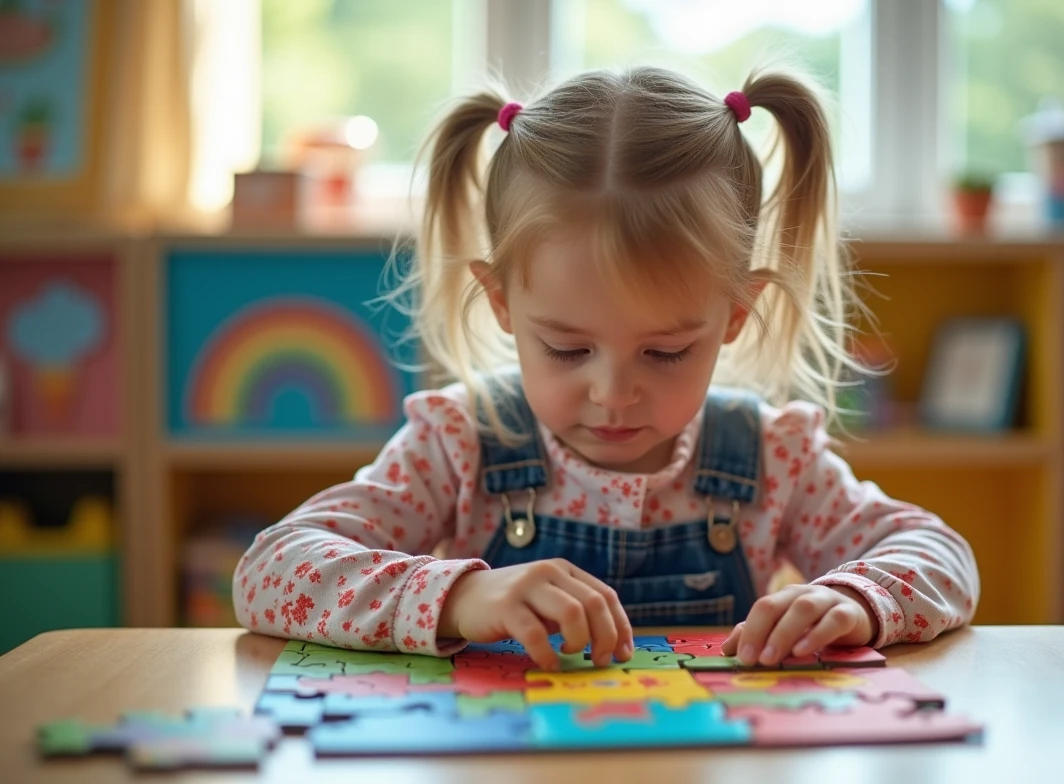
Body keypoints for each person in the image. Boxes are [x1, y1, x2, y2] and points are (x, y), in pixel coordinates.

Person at [233, 66, 980, 672]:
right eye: (566, 348)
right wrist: (460, 597)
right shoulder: (458, 443)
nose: (613, 392)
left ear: (735, 315)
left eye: (665, 352)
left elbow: (943, 557)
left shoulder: (773, 457)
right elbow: (270, 572)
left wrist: (857, 597)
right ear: (500, 301)